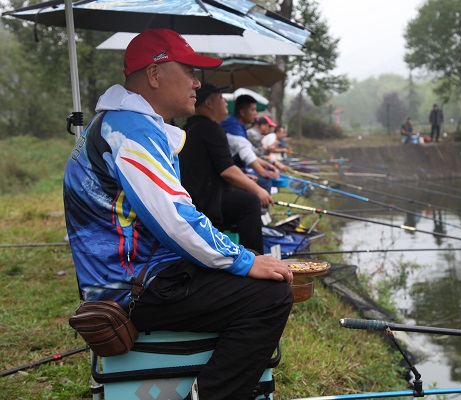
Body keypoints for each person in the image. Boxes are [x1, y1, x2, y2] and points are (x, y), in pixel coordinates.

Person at [63, 29, 293, 400]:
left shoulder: (127, 123)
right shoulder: (131, 132)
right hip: (132, 286)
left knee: (252, 273)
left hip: (139, 271)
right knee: (271, 295)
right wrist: (243, 260)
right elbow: (174, 217)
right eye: (189, 71)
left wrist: (239, 259)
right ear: (154, 74)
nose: (197, 83)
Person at [179, 83, 273, 254]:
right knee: (251, 202)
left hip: (198, 194)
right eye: (221, 98)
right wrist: (258, 190)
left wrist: (243, 177)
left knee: (245, 193)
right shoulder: (209, 128)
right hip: (203, 202)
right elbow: (227, 170)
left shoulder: (193, 125)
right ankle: (255, 258)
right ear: (209, 103)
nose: (225, 103)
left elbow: (213, 167)